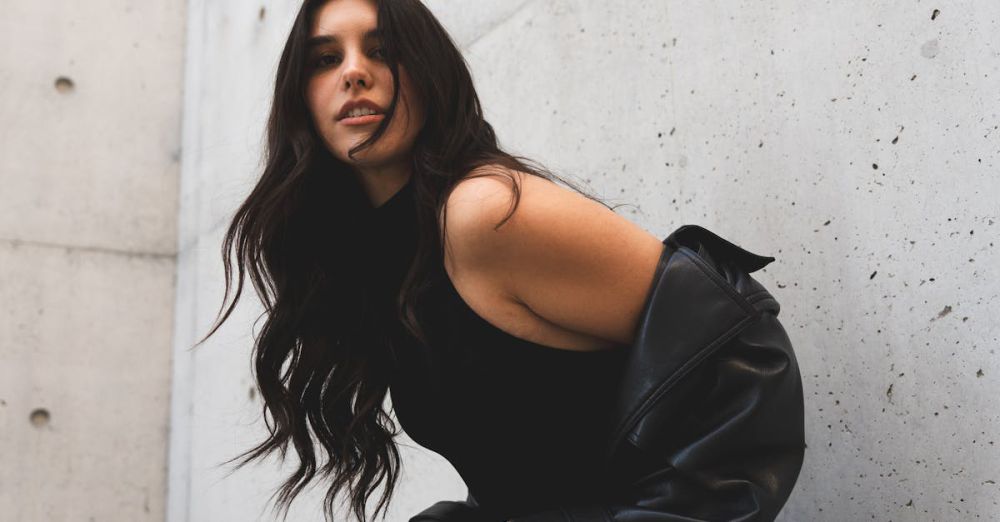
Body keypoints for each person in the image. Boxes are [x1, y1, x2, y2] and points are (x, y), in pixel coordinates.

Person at [197, 0, 666, 521]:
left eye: (382, 50)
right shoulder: (376, 256)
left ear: (428, 70)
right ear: (299, 99)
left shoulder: (481, 212)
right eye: (325, 59)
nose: (354, 72)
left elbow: (737, 344)